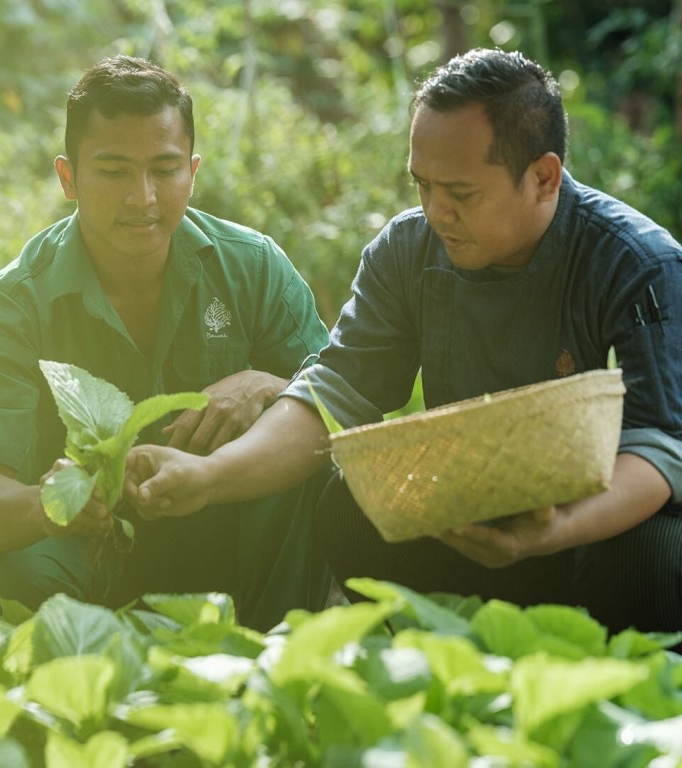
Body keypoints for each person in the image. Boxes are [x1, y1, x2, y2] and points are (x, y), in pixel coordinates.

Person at [125, 47, 682, 641]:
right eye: (423, 185)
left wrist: (552, 531)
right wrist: (208, 476)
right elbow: (334, 394)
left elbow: (661, 447)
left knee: (646, 555)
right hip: (474, 518)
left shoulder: (638, 263)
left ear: (543, 178)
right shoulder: (407, 251)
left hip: (599, 526)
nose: (436, 212)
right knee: (352, 507)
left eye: (461, 193)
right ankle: (451, 661)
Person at [0, 54, 332, 631]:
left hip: (221, 525)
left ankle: (276, 653)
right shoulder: (15, 303)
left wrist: (271, 386)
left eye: (164, 169)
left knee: (309, 471)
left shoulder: (252, 267)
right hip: (78, 546)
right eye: (114, 171)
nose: (142, 197)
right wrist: (49, 505)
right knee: (0, 577)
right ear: (68, 178)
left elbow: (339, 408)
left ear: (192, 173)